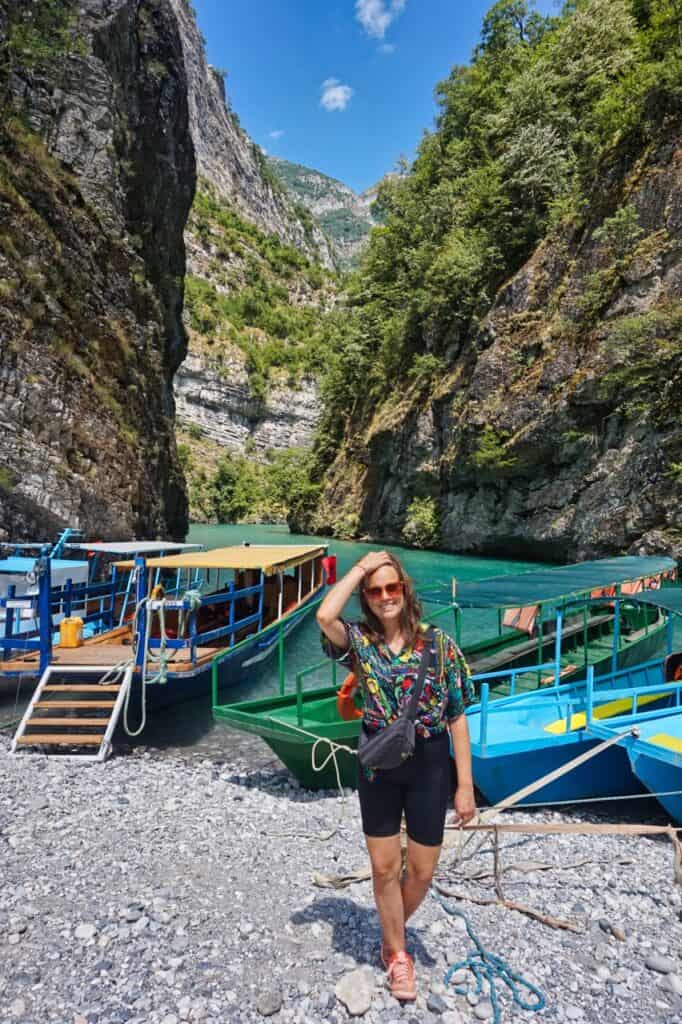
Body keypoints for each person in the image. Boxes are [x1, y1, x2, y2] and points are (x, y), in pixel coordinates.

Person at [317, 550, 476, 1002]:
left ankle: (390, 931)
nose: (386, 596)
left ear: (405, 591)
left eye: (393, 587)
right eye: (376, 590)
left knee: (422, 872)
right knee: (384, 867)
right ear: (367, 597)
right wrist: (361, 568)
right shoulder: (359, 643)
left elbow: (458, 716)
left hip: (428, 762)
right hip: (377, 763)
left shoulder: (439, 644)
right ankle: (398, 954)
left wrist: (464, 785)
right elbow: (325, 613)